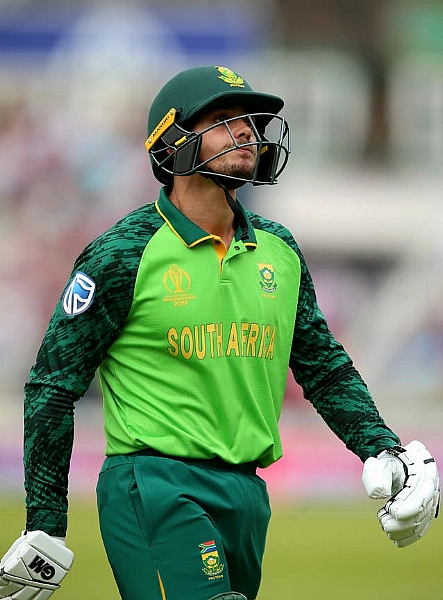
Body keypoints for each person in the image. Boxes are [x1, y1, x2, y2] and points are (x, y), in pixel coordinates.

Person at [0, 65, 439, 600]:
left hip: (247, 496)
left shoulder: (279, 249)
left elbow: (323, 366)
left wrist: (382, 448)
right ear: (173, 141)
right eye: (224, 120)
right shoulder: (122, 253)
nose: (248, 133)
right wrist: (45, 519)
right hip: (154, 485)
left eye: (250, 122)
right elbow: (53, 383)